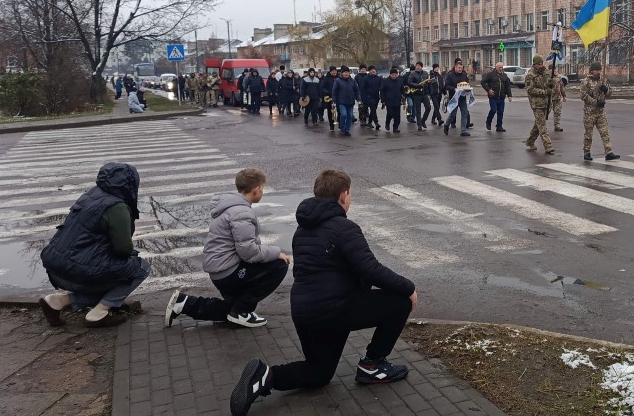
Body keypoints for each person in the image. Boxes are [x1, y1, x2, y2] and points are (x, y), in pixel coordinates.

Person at [228, 170, 416, 416]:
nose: (350, 200)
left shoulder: (302, 230)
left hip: (306, 312)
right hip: (334, 309)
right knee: (399, 302)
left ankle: (266, 376)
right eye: (350, 195)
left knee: (319, 373)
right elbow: (371, 269)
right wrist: (409, 288)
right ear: (343, 196)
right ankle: (373, 364)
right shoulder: (344, 227)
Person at [165, 168, 289, 328]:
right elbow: (249, 253)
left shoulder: (231, 207)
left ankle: (184, 303)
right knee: (279, 266)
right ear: (257, 190)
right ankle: (242, 312)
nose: (262, 192)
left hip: (220, 270)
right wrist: (277, 253)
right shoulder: (241, 212)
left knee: (231, 310)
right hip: (228, 271)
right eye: (262, 189)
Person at [38, 162, 150, 328]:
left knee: (107, 275)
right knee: (140, 268)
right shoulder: (117, 207)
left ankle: (58, 301)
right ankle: (99, 313)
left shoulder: (90, 195)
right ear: (130, 184)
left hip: (55, 264)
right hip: (77, 268)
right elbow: (123, 249)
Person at [580, 62, 620, 161]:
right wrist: (595, 102)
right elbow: (583, 96)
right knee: (588, 134)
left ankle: (608, 152)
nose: (598, 72)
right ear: (592, 70)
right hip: (589, 113)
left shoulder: (603, 81)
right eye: (596, 70)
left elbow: (610, 93)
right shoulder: (586, 82)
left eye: (599, 70)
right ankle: (587, 152)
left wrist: (606, 90)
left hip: (601, 112)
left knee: (605, 132)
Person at [523, 55, 555, 154]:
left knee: (538, 124)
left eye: (541, 64)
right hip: (536, 104)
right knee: (542, 125)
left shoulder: (544, 72)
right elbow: (530, 89)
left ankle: (530, 141)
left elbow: (549, 82)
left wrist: (551, 82)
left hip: (546, 102)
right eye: (538, 64)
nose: (540, 66)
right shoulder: (530, 75)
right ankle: (548, 146)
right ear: (534, 64)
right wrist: (545, 92)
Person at [442, 60, 471, 136]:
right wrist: (454, 89)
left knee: (464, 113)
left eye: (461, 68)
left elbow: (467, 84)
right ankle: (446, 125)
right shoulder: (450, 75)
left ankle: (463, 131)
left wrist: (467, 89)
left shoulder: (464, 75)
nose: (460, 69)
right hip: (454, 98)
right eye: (459, 68)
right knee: (453, 114)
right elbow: (446, 86)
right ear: (455, 67)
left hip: (462, 98)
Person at [481, 61, 512, 132]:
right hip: (493, 96)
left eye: (501, 67)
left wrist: (509, 96)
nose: (500, 69)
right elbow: (483, 82)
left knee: (500, 112)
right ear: (496, 67)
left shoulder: (504, 75)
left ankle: (499, 126)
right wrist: (488, 90)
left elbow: (507, 86)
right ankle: (488, 121)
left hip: (501, 96)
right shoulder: (490, 74)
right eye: (499, 67)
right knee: (493, 110)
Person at [331, 66, 360, 135]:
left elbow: (357, 90)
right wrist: (334, 101)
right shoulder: (338, 81)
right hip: (341, 102)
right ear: (342, 73)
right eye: (345, 72)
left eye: (347, 72)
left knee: (350, 115)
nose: (346, 74)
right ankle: (342, 127)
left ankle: (347, 129)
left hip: (350, 101)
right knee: (344, 114)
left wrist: (359, 99)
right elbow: (334, 91)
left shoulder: (352, 81)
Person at [407, 62, 432, 131]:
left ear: (422, 67)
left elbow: (428, 82)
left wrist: (430, 91)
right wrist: (417, 85)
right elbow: (409, 82)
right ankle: (419, 124)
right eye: (417, 66)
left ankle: (423, 120)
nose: (417, 67)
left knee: (428, 108)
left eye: (419, 66)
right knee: (418, 110)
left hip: (424, 93)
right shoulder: (412, 74)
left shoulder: (426, 73)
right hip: (416, 94)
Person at [380, 67, 405, 133]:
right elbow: (382, 90)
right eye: (393, 74)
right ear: (390, 74)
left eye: (395, 74)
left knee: (397, 115)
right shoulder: (385, 81)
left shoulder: (400, 80)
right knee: (390, 113)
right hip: (389, 100)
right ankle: (387, 123)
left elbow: (402, 89)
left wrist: (403, 95)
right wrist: (383, 100)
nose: (394, 76)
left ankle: (395, 127)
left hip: (397, 99)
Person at [320, 66, 338, 131]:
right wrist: (328, 92)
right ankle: (331, 125)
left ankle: (339, 123)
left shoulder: (339, 77)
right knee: (331, 112)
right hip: (329, 97)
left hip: (338, 97)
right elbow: (322, 88)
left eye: (335, 71)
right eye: (333, 71)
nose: (334, 72)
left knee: (340, 110)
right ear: (330, 72)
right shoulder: (326, 78)